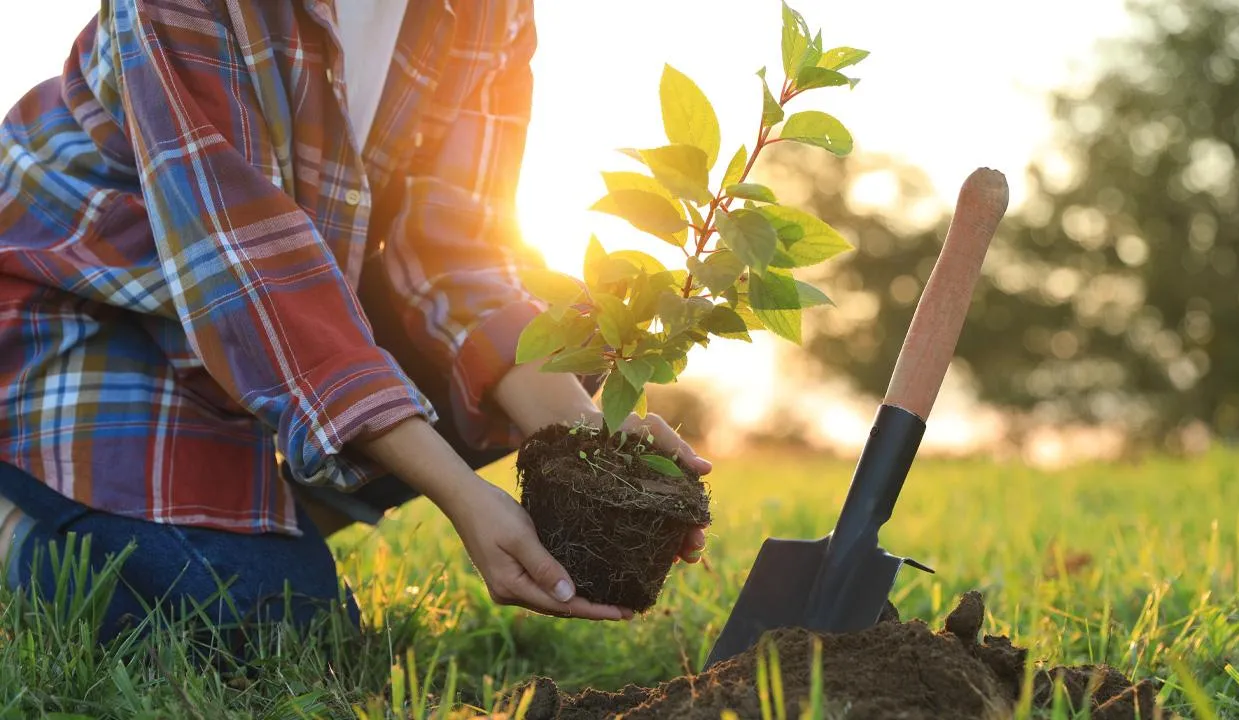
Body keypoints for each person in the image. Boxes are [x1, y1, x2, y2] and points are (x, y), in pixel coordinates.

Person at [0, 0, 710, 644]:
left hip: (264, 319)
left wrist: (584, 434)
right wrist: (462, 496)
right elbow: (253, 275)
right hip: (86, 311)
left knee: (547, 340)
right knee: (268, 634)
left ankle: (249, 518)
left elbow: (455, 254)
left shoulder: (491, 12)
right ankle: (21, 520)